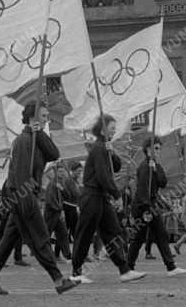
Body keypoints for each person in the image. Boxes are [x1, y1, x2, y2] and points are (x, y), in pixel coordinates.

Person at [0, 101, 78, 296]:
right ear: (33, 118)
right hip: (21, 195)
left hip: (24, 194)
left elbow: (54, 154)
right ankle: (58, 280)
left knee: (9, 238)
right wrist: (26, 202)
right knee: (40, 236)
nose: (47, 119)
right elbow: (20, 175)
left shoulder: (35, 139)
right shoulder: (23, 142)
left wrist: (40, 132)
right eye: (43, 116)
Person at [69, 115, 145, 284]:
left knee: (113, 232)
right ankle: (76, 272)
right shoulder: (98, 148)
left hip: (101, 197)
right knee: (85, 234)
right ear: (103, 130)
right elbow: (103, 176)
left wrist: (113, 152)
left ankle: (124, 270)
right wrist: (117, 195)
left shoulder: (105, 148)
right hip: (91, 196)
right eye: (112, 127)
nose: (114, 130)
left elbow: (115, 167)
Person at [125, 136, 186, 276]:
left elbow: (163, 182)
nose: (159, 151)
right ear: (148, 149)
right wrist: (146, 210)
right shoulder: (143, 166)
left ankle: (170, 267)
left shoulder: (155, 165)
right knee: (139, 238)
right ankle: (128, 267)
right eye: (156, 148)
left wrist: (156, 169)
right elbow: (142, 189)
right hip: (144, 207)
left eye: (160, 148)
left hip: (151, 206)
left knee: (160, 235)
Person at [43, 162, 73, 260]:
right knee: (47, 234)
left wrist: (62, 189)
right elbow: (50, 200)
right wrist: (60, 210)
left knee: (63, 233)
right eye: (60, 171)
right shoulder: (52, 184)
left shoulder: (61, 183)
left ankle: (67, 254)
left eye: (63, 171)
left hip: (57, 212)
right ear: (56, 172)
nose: (62, 173)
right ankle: (46, 254)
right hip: (51, 213)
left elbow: (67, 196)